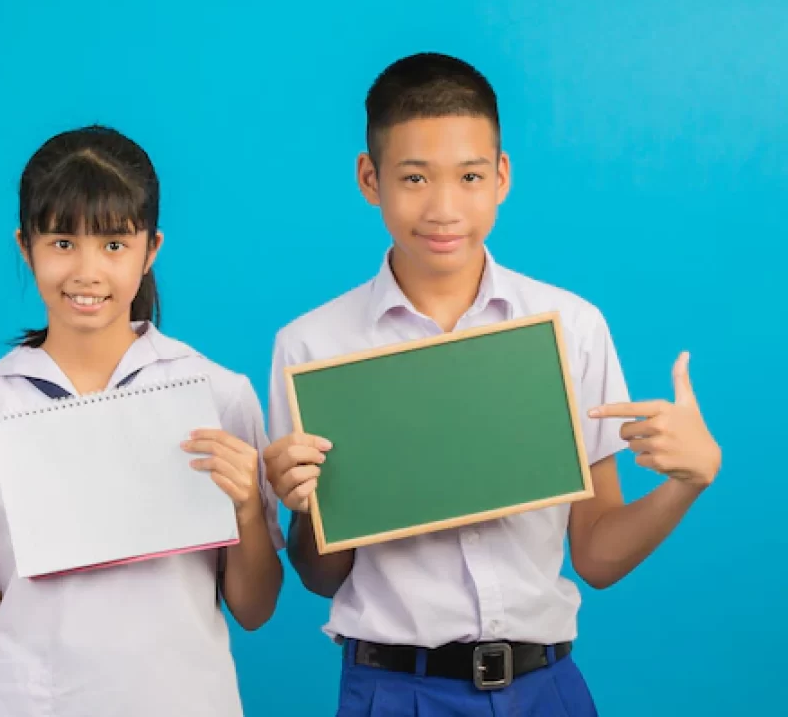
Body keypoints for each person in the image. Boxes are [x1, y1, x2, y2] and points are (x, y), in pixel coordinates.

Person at [262, 53, 721, 716]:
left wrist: (689, 481)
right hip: (393, 689)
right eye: (414, 177)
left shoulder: (570, 327)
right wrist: (305, 508)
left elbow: (594, 553)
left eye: (470, 176)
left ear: (501, 176)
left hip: (546, 688)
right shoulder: (312, 347)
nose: (444, 208)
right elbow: (319, 573)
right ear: (370, 178)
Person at [0, 125, 284, 716]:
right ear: (25, 245)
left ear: (151, 248)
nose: (87, 271)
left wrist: (246, 513)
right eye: (62, 242)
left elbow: (255, 608)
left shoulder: (216, 394)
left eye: (114, 245)